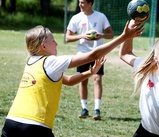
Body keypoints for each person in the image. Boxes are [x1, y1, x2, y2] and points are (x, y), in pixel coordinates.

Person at [1, 22, 143, 137]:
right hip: (35, 126)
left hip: (11, 122)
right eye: (53, 41)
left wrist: (90, 72)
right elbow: (93, 55)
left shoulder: (31, 61)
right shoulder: (50, 61)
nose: (56, 44)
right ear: (43, 46)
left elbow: (68, 80)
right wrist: (124, 37)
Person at [65, 0, 114, 120]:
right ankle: (84, 109)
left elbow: (111, 34)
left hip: (97, 53)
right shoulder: (76, 18)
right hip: (82, 54)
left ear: (90, 3)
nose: (80, 5)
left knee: (97, 79)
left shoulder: (101, 16)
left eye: (82, 2)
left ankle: (97, 110)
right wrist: (82, 36)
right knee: (83, 80)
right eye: (79, 2)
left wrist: (101, 35)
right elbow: (67, 37)